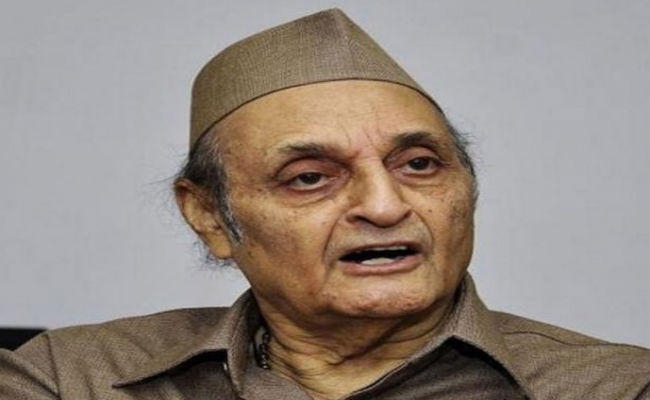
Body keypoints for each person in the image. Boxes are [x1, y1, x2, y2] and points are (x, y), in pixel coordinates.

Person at [1, 8, 648, 400]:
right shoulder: (72, 378)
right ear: (210, 216)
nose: (385, 205)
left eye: (419, 165)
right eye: (310, 177)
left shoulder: (616, 387)